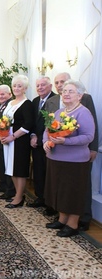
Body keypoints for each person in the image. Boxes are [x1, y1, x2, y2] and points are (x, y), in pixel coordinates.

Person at [46, 72, 99, 231]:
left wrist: (66, 141)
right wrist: (45, 143)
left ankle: (73, 223)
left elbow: (88, 136)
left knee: (73, 192)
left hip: (75, 161)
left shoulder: (83, 112)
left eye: (71, 91)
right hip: (56, 158)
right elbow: (47, 131)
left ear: (80, 95)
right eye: (64, 91)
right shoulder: (58, 112)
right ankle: (62, 219)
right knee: (60, 190)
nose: (66, 94)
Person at [1, 75, 34, 208]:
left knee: (19, 170)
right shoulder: (10, 103)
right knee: (11, 169)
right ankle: (17, 194)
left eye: (19, 86)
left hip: (19, 142)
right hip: (8, 140)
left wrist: (13, 136)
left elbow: (28, 124)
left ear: (25, 88)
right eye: (14, 85)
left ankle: (19, 197)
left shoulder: (27, 104)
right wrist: (1, 134)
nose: (16, 88)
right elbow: (3, 121)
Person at [28, 76, 56, 213]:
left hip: (51, 144)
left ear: (50, 86)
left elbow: (53, 124)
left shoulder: (56, 100)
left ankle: (51, 203)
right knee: (38, 172)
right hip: (36, 143)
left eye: (43, 85)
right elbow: (32, 122)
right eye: (38, 85)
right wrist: (33, 136)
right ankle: (40, 198)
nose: (40, 87)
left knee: (49, 174)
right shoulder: (35, 101)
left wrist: (40, 138)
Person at [0, 85, 15, 200]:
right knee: (2, 165)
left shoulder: (10, 105)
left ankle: (9, 190)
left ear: (9, 94)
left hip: (7, 140)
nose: (0, 96)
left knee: (8, 166)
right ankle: (3, 185)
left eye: (3, 94)